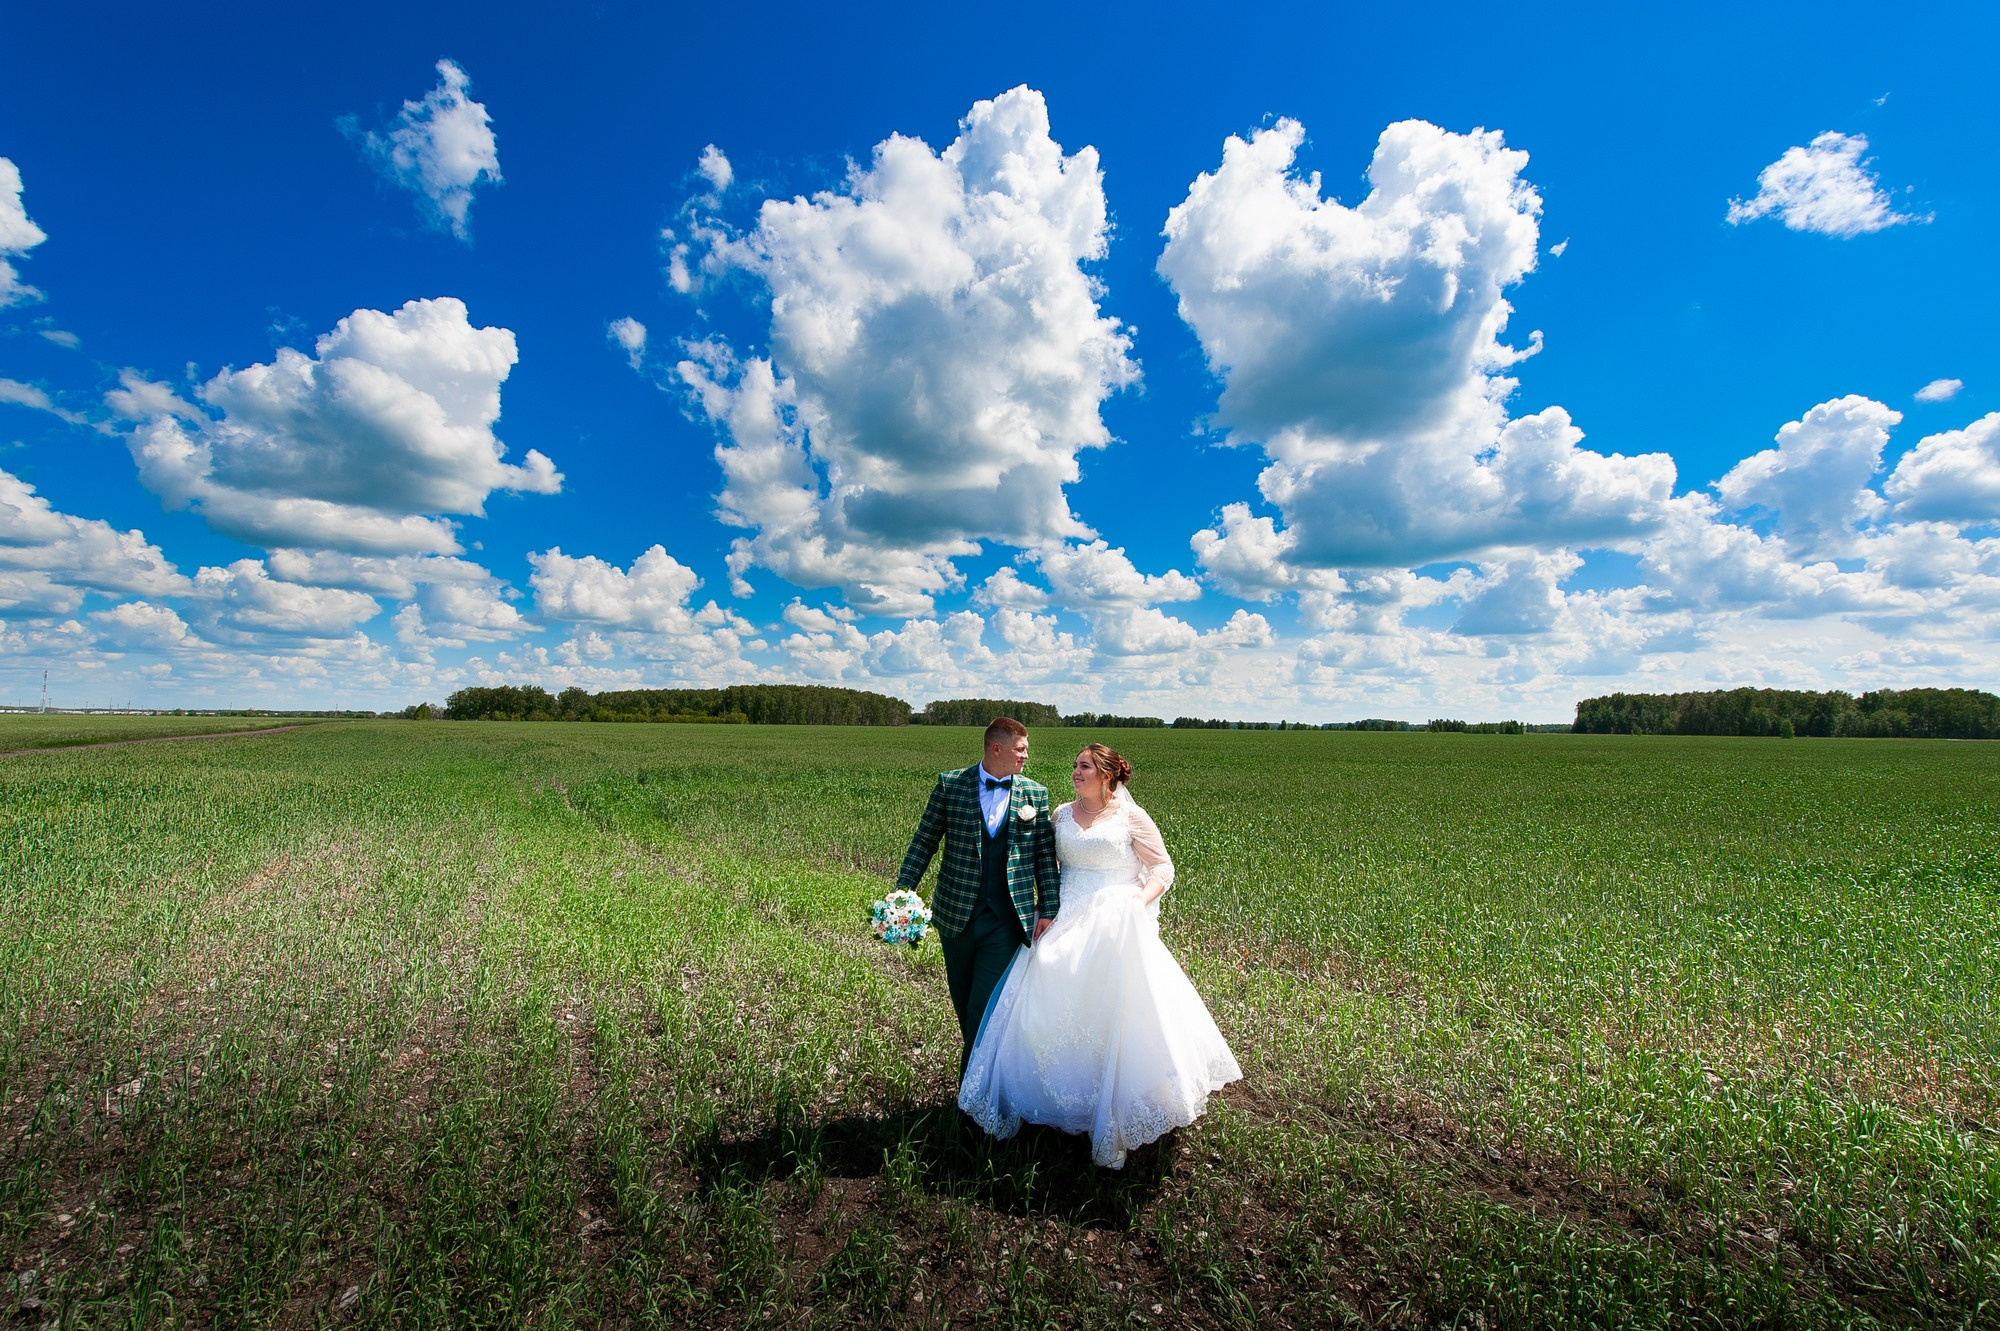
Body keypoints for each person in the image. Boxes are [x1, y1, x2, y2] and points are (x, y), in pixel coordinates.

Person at [958, 742, 1241, 1168]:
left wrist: (1137, 901)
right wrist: (1041, 908)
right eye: (1074, 765)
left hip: (1115, 919)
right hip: (1066, 915)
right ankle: (1044, 1095)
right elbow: (1045, 867)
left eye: (1084, 766)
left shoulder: (1132, 817)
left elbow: (1163, 868)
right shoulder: (1059, 815)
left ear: (1107, 775)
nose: (1075, 772)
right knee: (1045, 997)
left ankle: (1113, 1110)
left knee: (1116, 1010)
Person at [893, 716, 1061, 1072]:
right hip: (955, 916)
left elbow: (1045, 856)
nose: (1025, 756)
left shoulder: (1035, 794)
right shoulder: (951, 784)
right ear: (996, 748)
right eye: (1020, 749)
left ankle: (969, 1108)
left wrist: (1048, 907)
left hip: (1006, 921)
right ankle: (983, 1084)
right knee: (965, 1004)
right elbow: (925, 840)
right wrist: (903, 890)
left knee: (983, 1009)